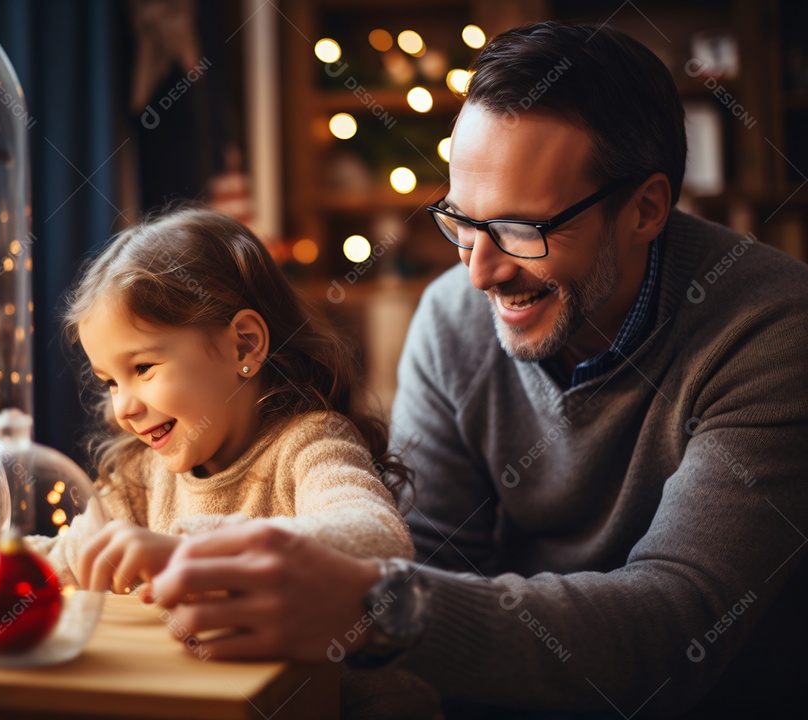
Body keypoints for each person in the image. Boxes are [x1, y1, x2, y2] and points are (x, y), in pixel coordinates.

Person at [146, 21, 808, 718]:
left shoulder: (772, 330)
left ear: (645, 209)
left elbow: (673, 628)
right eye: (461, 223)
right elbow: (430, 558)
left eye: (523, 230)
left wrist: (374, 606)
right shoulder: (452, 320)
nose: (481, 273)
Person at [30, 207, 414, 596]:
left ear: (244, 346)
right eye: (111, 382)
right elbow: (60, 562)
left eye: (143, 367)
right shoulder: (141, 477)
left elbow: (381, 540)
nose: (123, 408)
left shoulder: (310, 445)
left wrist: (190, 550)